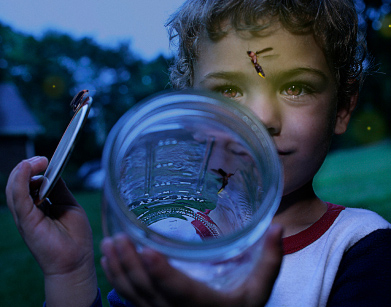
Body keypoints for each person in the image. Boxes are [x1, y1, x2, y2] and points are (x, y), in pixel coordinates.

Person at [6, 0, 391, 306]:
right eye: (227, 91)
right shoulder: (170, 245)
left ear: (342, 107)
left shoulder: (361, 248)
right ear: (191, 112)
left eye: (296, 88)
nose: (260, 120)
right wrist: (70, 274)